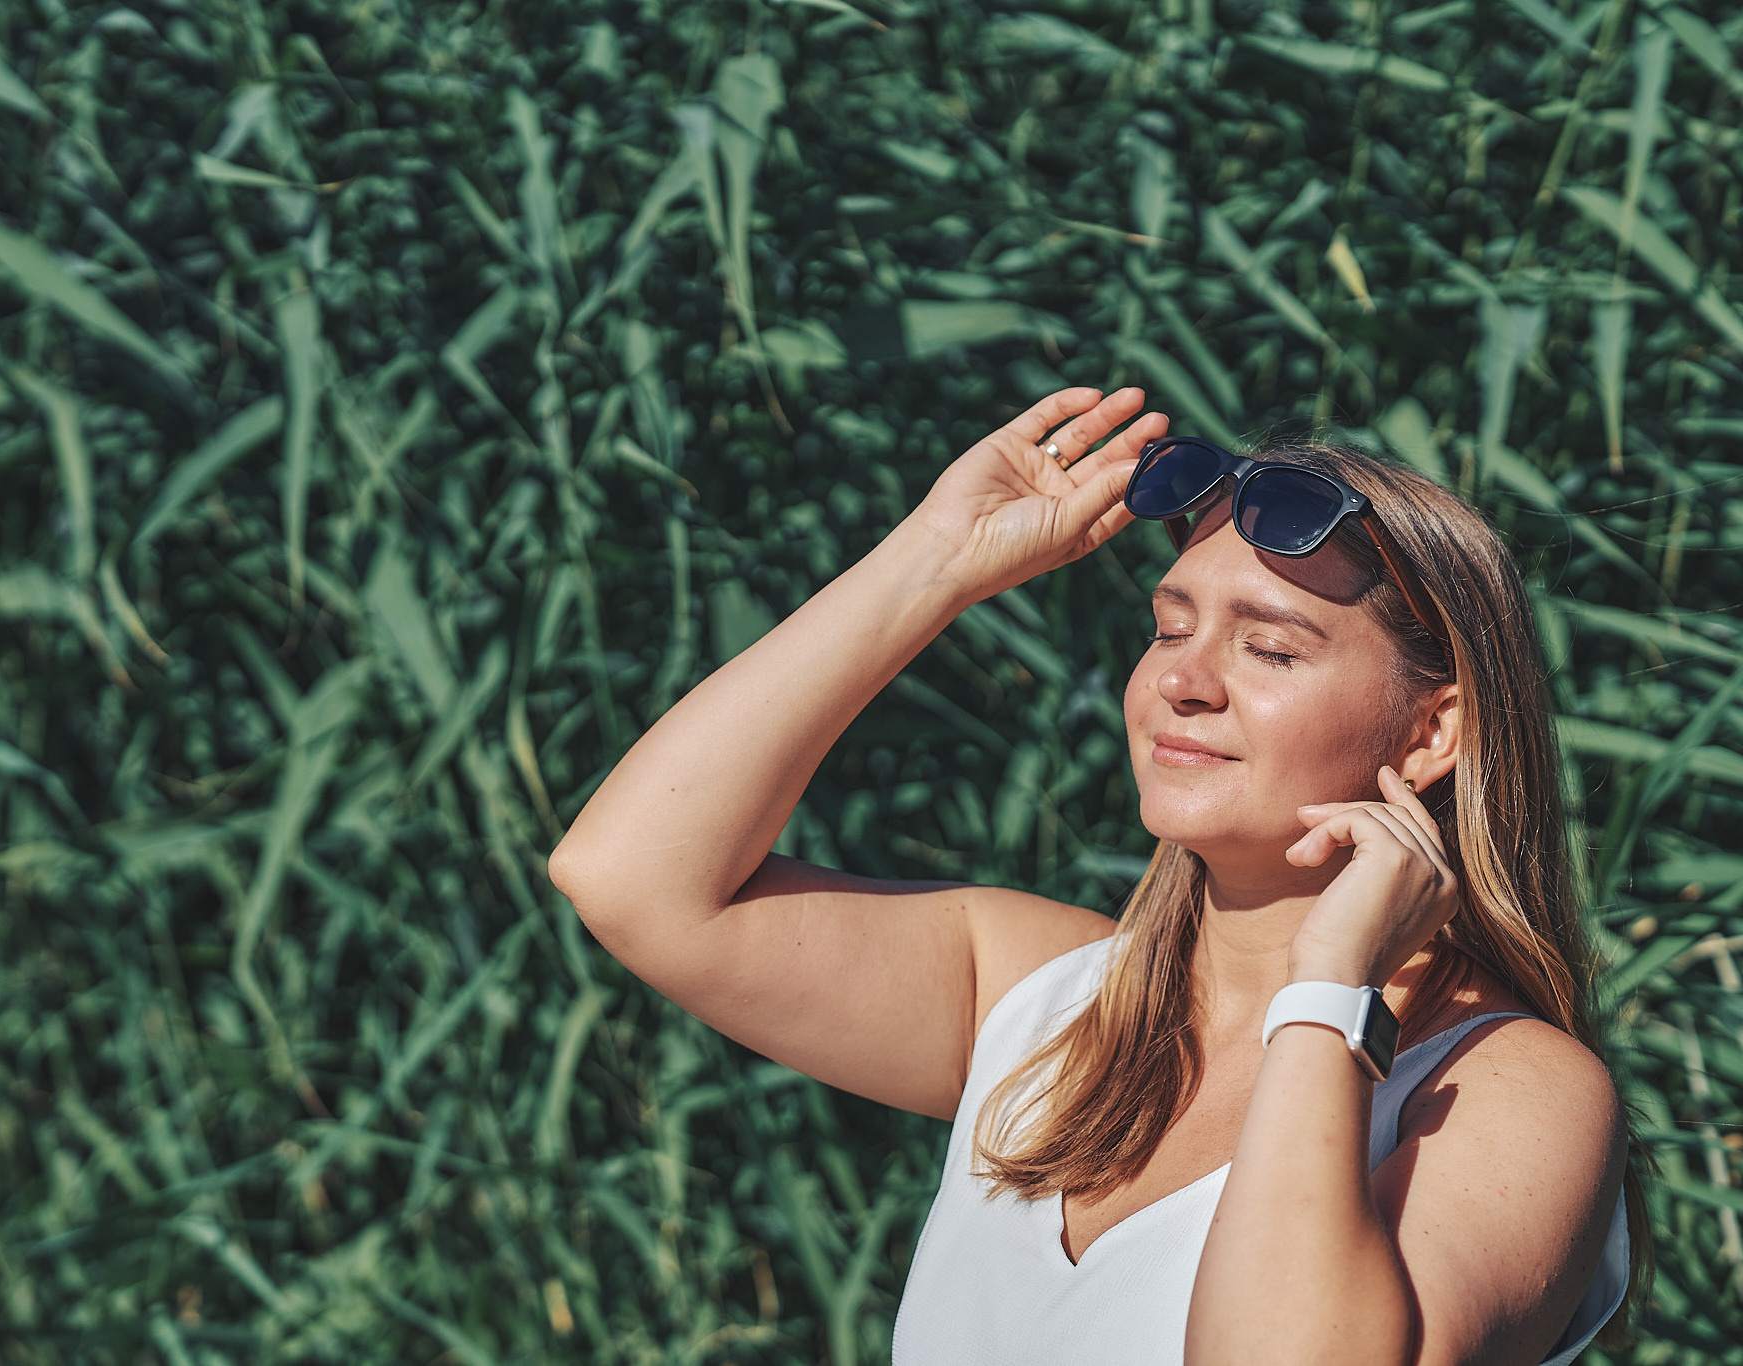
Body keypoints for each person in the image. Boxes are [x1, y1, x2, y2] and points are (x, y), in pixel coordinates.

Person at [549, 387, 1642, 1365]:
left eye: (1267, 649)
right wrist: (935, 559)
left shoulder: (1508, 1092)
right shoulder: (1039, 1000)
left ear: (1428, 732)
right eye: (1168, 628)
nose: (1181, 680)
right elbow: (631, 876)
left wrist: (1326, 990)